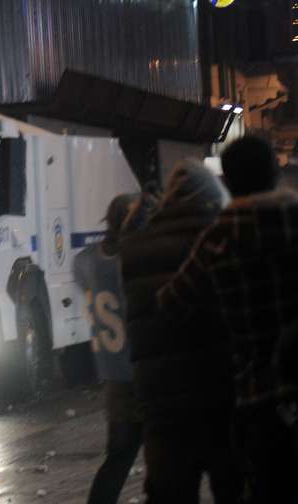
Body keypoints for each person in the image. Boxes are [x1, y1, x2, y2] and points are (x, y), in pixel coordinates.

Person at [157, 136, 298, 503]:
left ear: (229, 183)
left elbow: (171, 302)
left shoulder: (217, 238)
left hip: (256, 399)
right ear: (275, 174)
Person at [120, 160, 239, 503]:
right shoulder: (222, 236)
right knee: (231, 486)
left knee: (170, 492)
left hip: (161, 401)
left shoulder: (135, 248)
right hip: (220, 393)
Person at [74, 193, 142, 504]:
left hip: (114, 376)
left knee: (117, 458)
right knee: (169, 459)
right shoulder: (137, 259)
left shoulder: (86, 260)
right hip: (145, 370)